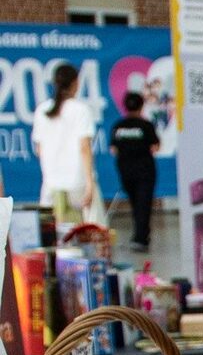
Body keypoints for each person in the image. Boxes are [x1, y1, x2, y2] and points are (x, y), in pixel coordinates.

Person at [31, 64, 98, 227]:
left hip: (51, 182)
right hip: (77, 182)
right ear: (76, 83)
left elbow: (39, 149)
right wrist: (90, 183)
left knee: (52, 232)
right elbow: (84, 147)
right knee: (80, 232)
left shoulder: (42, 110)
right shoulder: (81, 110)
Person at [109, 92, 159, 251]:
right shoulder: (146, 125)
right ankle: (141, 238)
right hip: (145, 171)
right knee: (143, 204)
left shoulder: (118, 126)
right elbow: (155, 146)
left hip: (126, 171)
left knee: (135, 204)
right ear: (141, 106)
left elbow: (113, 149)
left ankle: (140, 236)